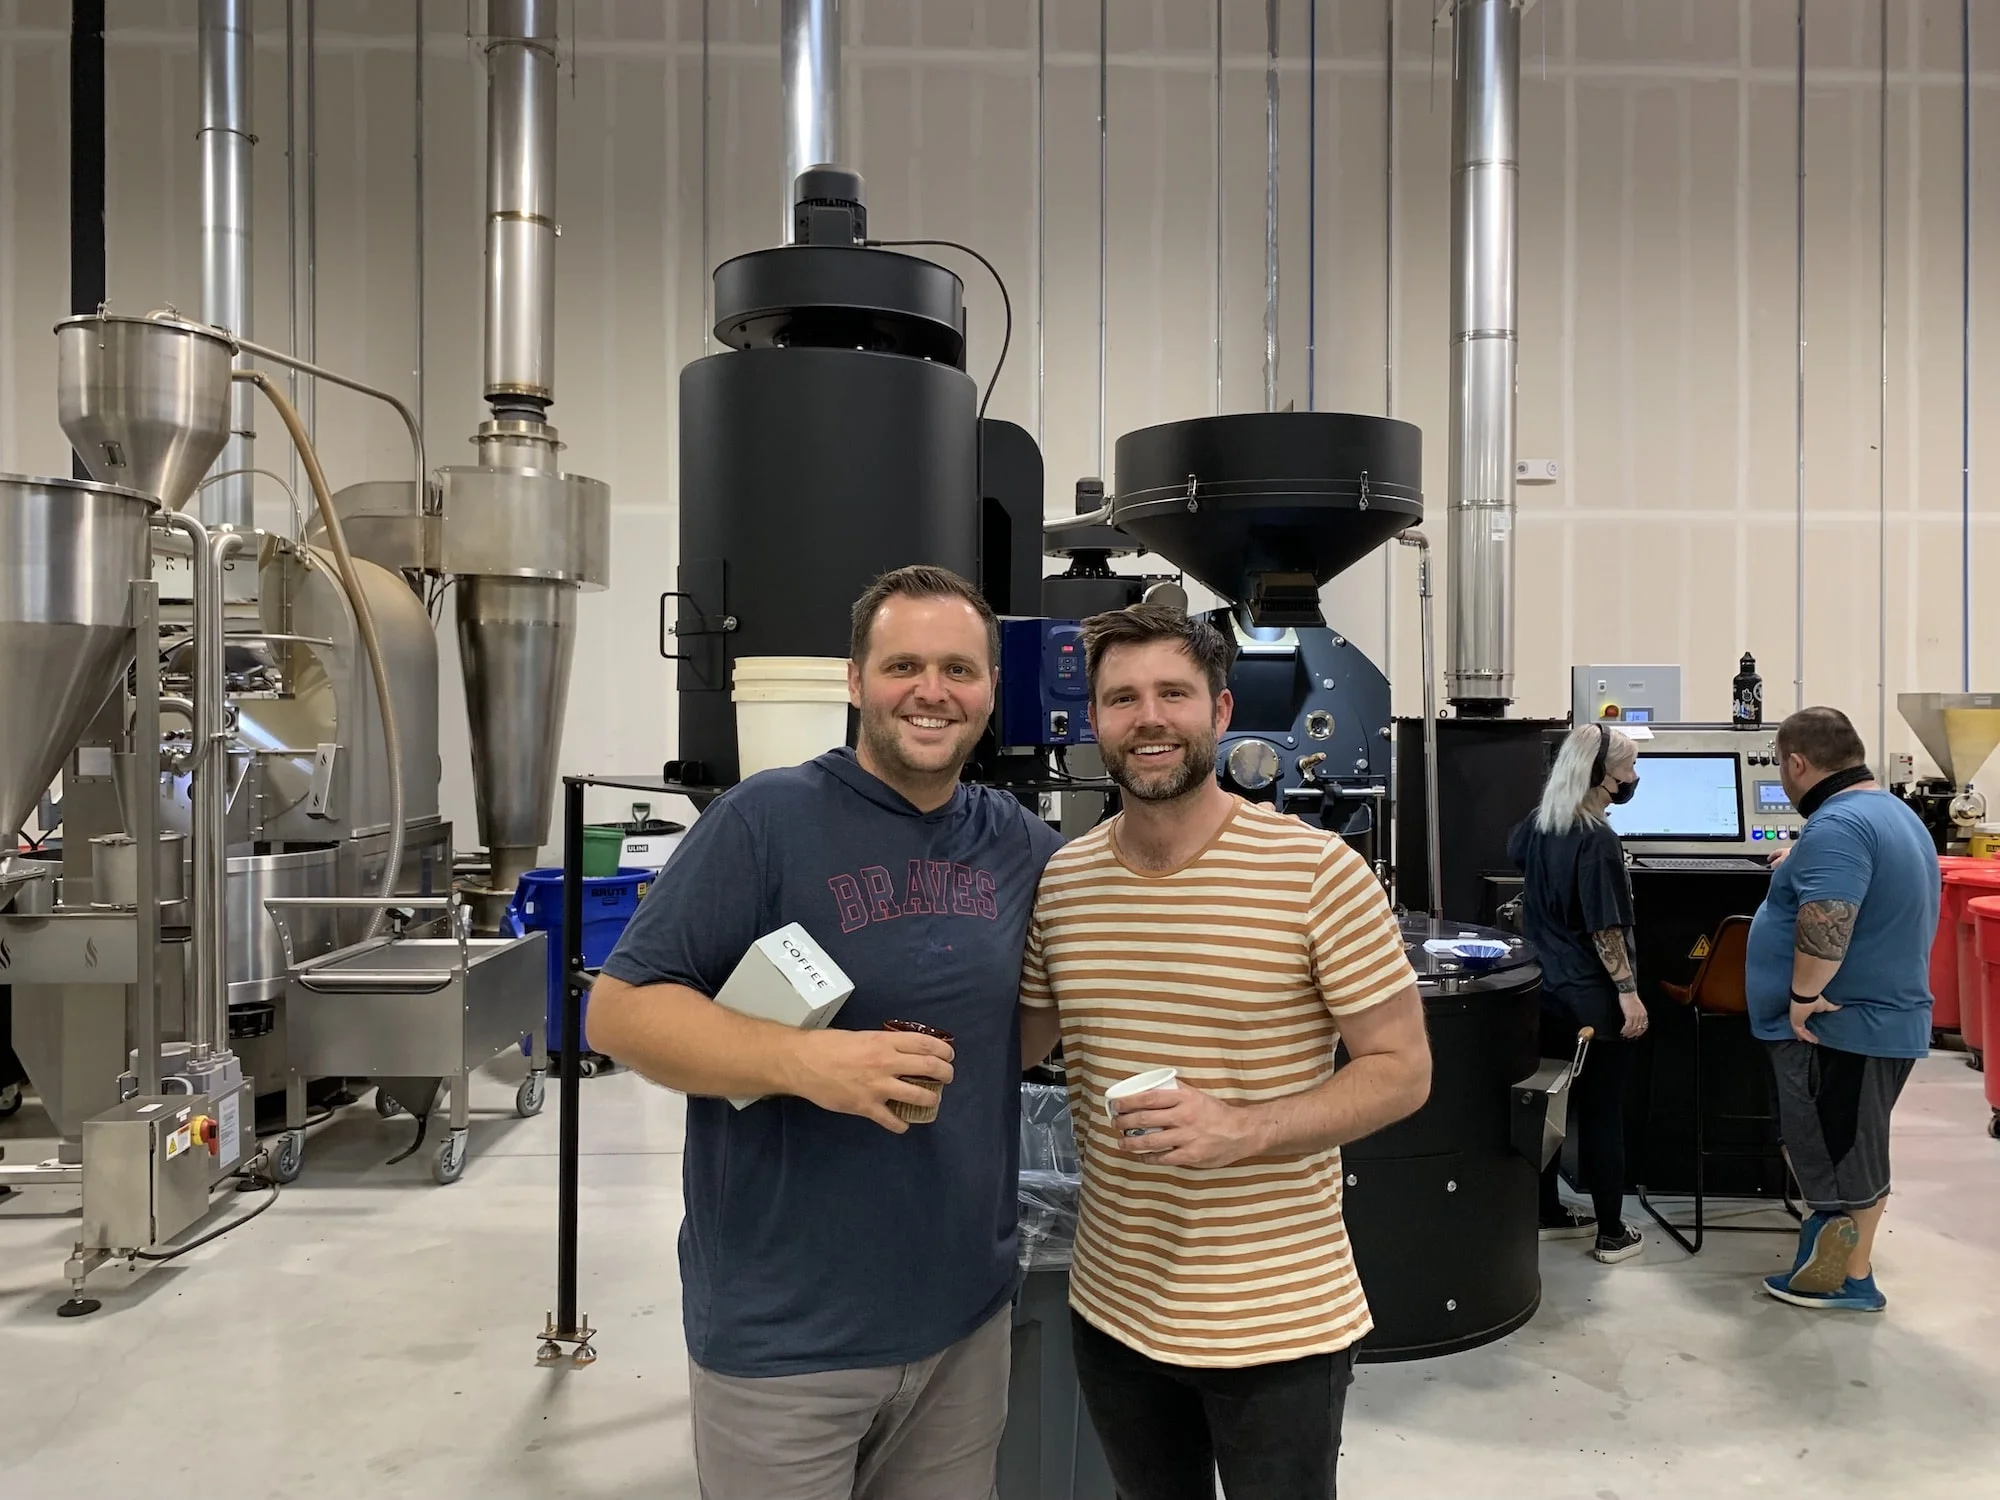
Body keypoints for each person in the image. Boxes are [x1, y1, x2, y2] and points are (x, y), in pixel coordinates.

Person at [589, 565, 1064, 1500]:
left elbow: (1029, 1031)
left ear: (992, 691)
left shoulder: (1016, 841)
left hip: (961, 1321)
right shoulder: (765, 820)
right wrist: (810, 1063)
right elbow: (621, 1012)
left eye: (960, 670)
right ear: (855, 680)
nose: (932, 692)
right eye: (904, 666)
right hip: (788, 1335)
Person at [1019, 603, 1431, 1500]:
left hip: (1276, 1322)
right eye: (1122, 698)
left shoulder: (1318, 872)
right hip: (1115, 1307)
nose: (1149, 718)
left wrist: (1241, 1130)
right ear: (1094, 722)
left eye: (1174, 692)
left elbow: (1402, 1070)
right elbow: (1022, 1039)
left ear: (1220, 710)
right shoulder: (1065, 879)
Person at [1749, 706, 1938, 1313]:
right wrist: (1800, 860)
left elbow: (1828, 918)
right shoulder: (1889, 814)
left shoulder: (1839, 827)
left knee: (1838, 1155)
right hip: (1883, 1018)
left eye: (1781, 766)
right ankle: (1837, 1267)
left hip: (1842, 1024)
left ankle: (1848, 1280)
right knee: (1854, 1146)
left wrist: (1802, 1000)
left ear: (1797, 763)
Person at [1507, 723, 1649, 1265]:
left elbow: (1519, 858)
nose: (1634, 778)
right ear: (1601, 776)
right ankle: (1612, 1233)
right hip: (1591, 995)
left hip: (1543, 990)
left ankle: (1546, 1210)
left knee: (1551, 1106)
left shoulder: (1540, 827)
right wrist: (1629, 995)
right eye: (1628, 768)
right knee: (1603, 1112)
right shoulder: (1598, 841)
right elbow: (1606, 931)